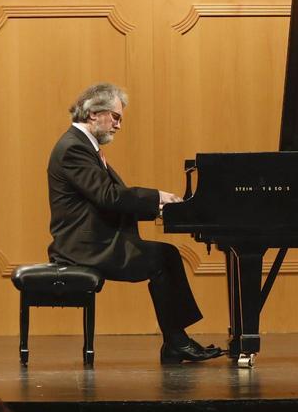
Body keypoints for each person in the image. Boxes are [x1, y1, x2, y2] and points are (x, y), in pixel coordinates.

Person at [47, 82, 220, 364]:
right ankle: (176, 342)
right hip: (83, 247)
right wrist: (157, 198)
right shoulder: (73, 149)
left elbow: (109, 199)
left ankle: (176, 340)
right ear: (93, 114)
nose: (118, 125)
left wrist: (158, 208)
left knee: (165, 257)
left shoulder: (81, 146)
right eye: (115, 117)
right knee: (164, 258)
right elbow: (107, 196)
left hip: (93, 240)